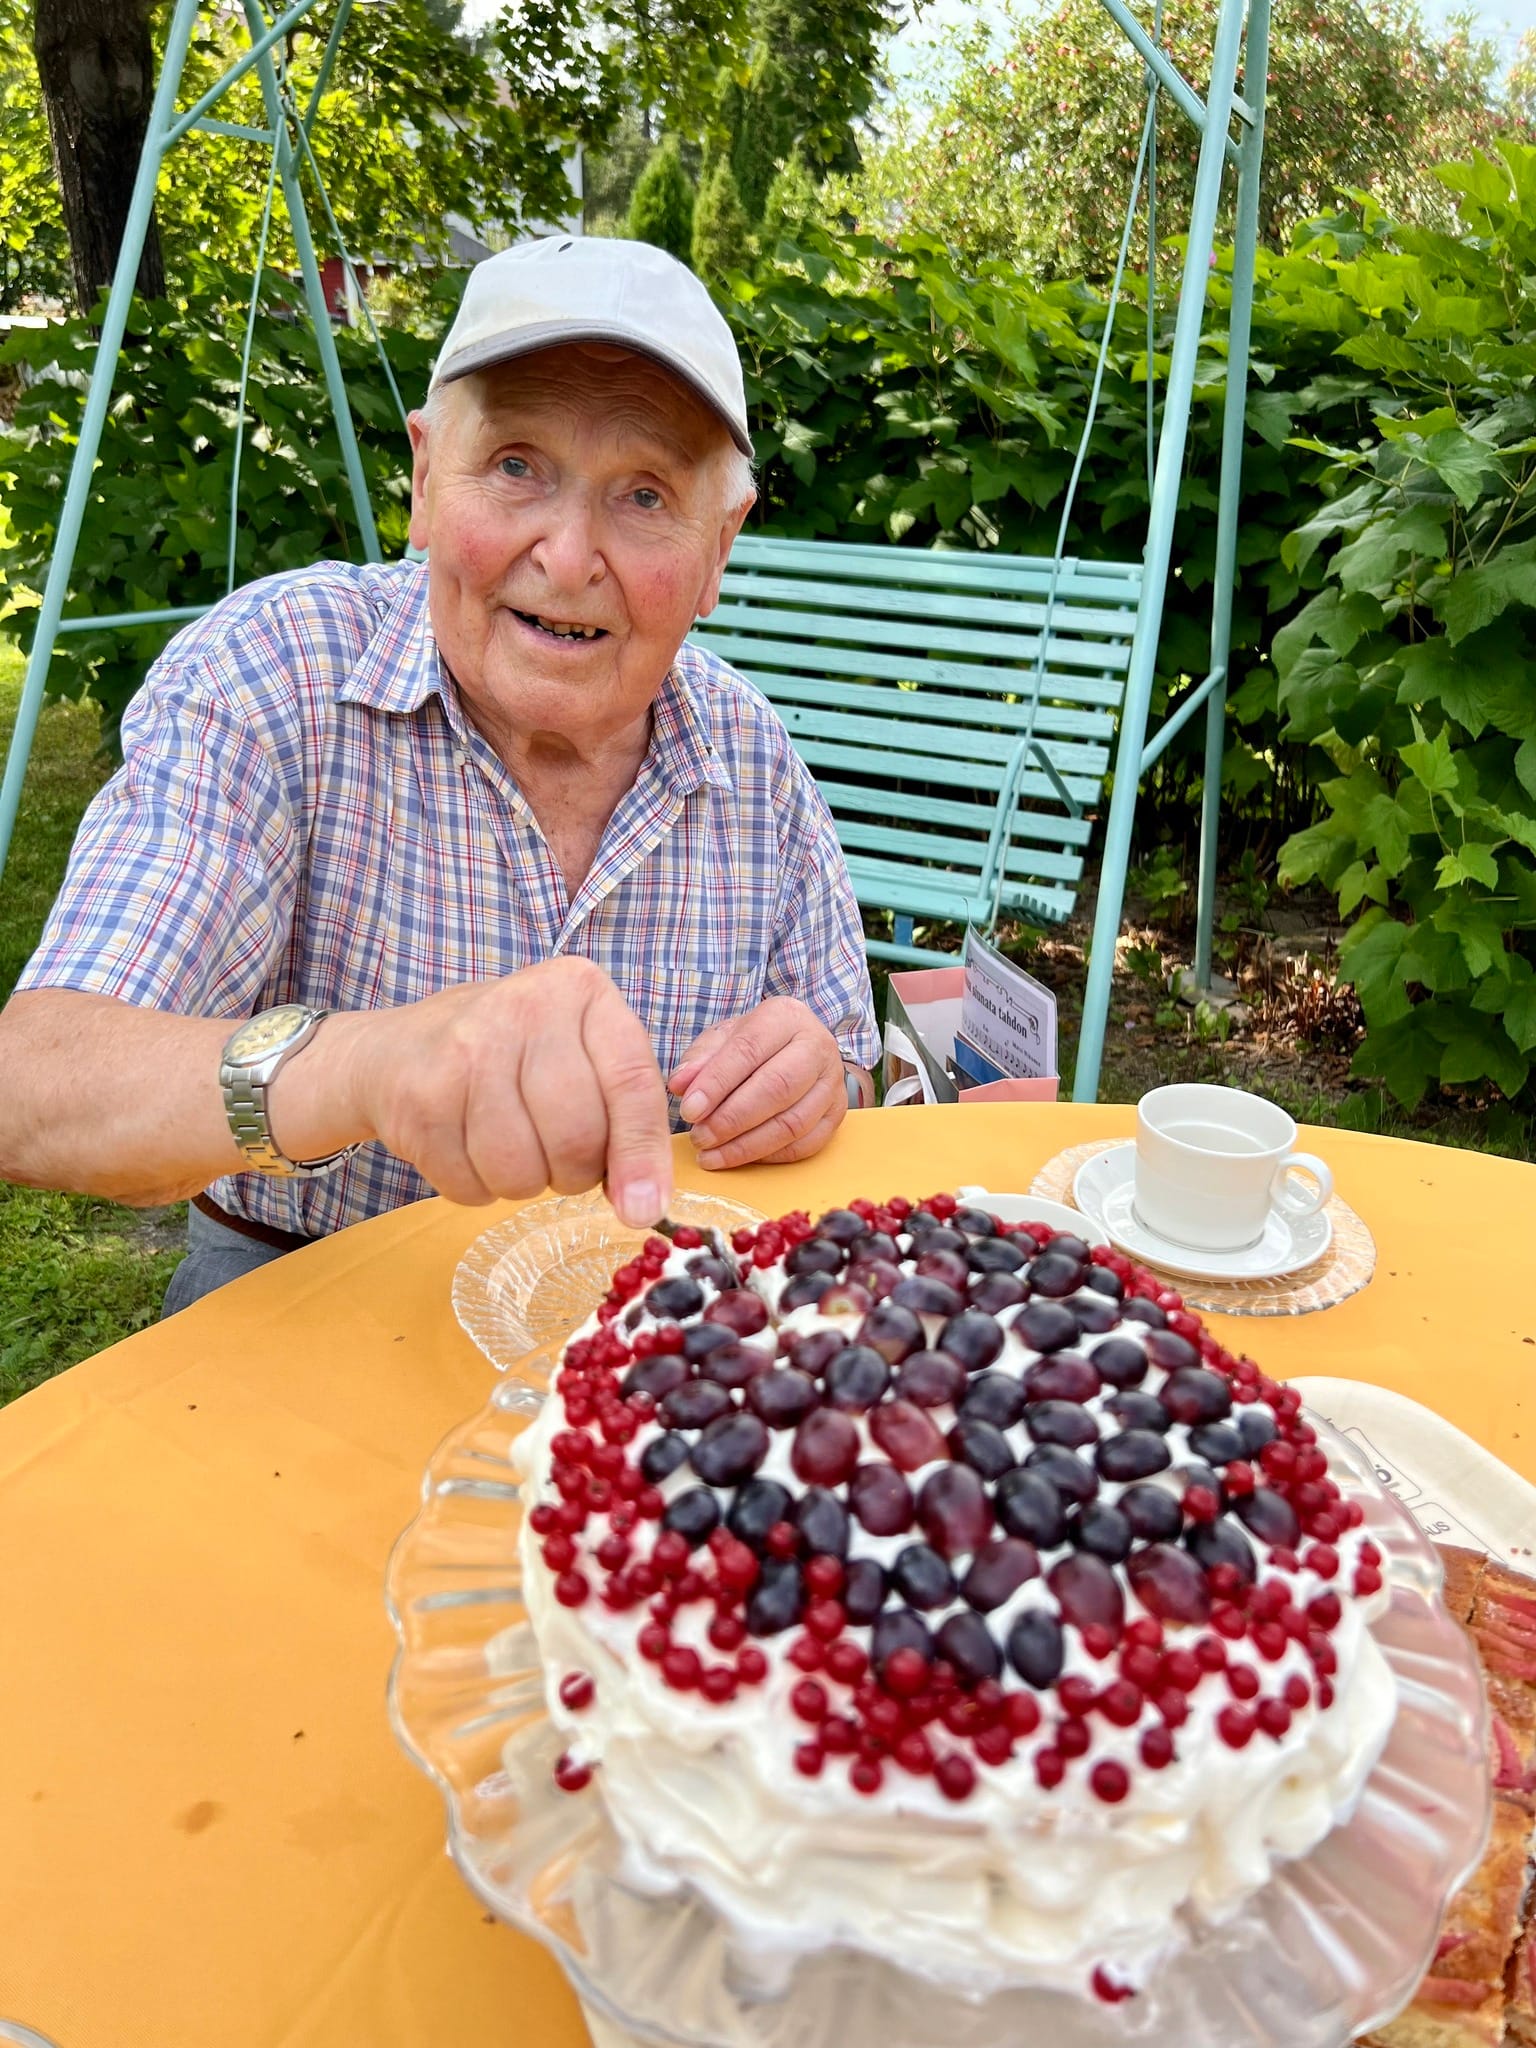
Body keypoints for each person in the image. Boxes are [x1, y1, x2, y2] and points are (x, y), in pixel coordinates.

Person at [0, 236, 879, 1313]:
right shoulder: (276, 672)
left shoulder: (752, 754)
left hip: (641, 1295)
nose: (566, 554)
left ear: (718, 550)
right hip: (306, 1287)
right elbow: (36, 1082)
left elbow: (847, 1065)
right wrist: (363, 1067)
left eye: (644, 494)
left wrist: (810, 1083)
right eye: (517, 465)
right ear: (423, 478)